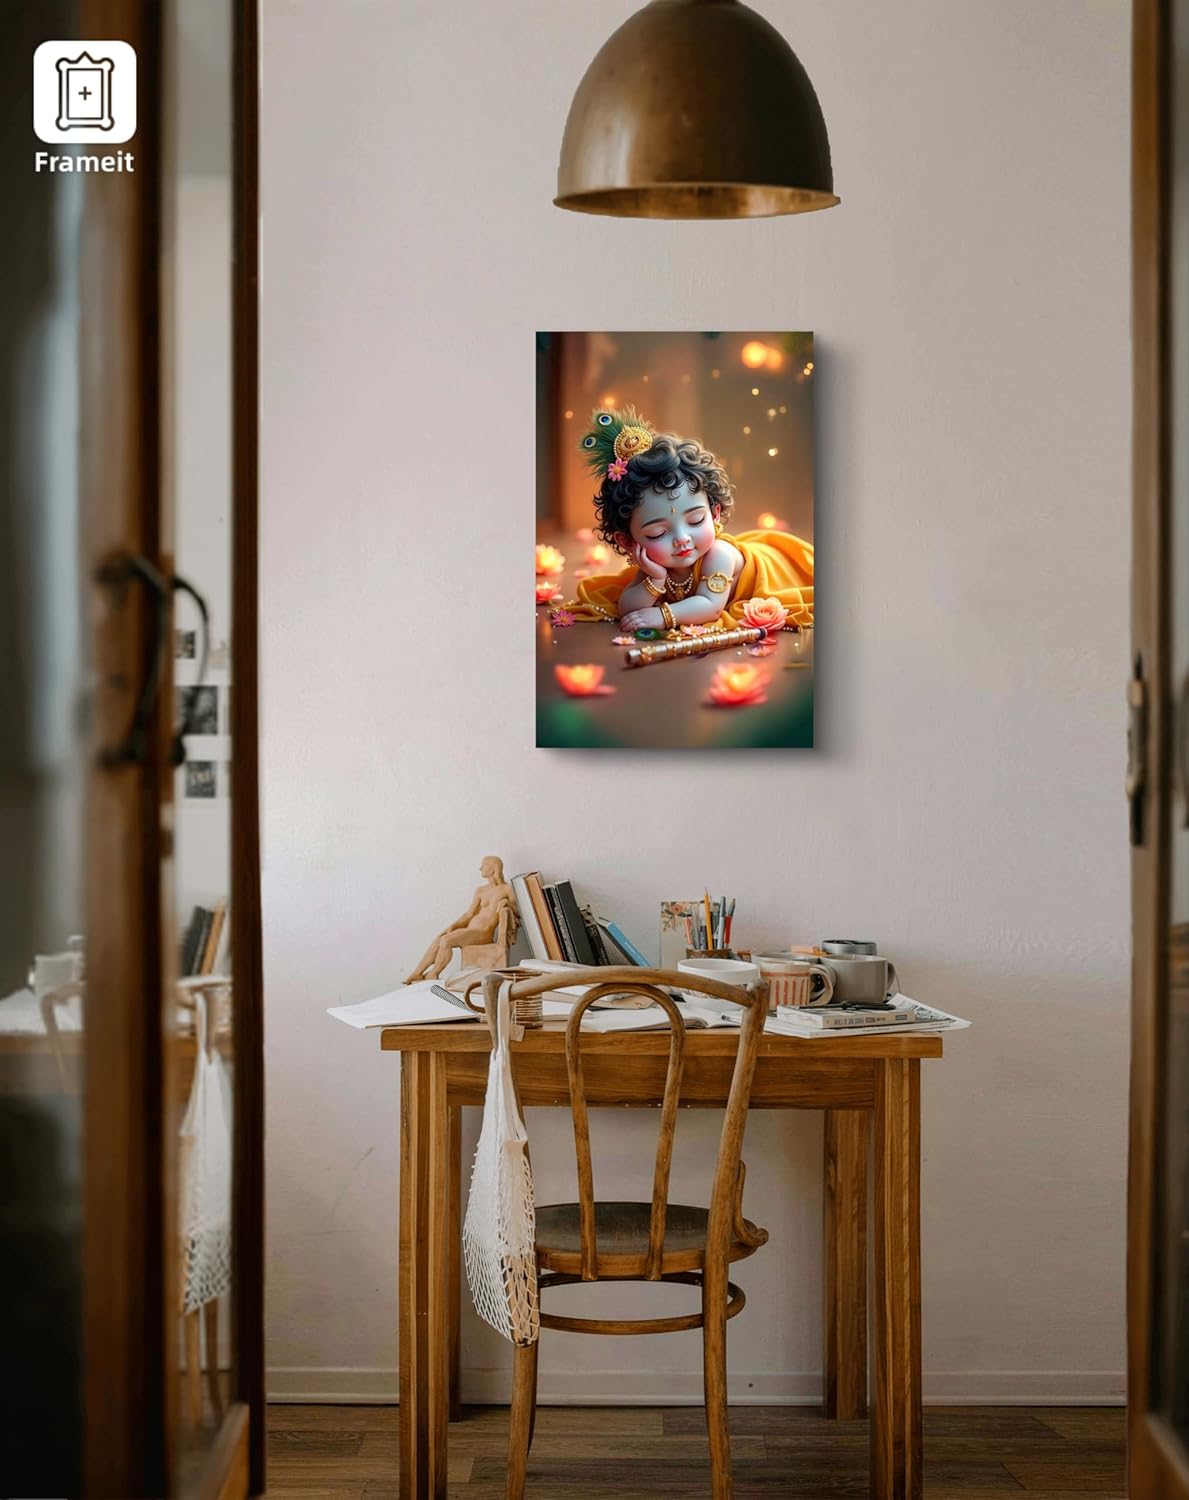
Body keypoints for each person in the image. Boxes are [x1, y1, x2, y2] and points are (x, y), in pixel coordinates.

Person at [564, 406, 813, 632]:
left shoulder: (719, 555)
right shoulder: (655, 565)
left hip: (781, 571)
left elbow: (711, 606)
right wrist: (656, 580)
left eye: (695, 520)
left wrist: (663, 615)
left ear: (714, 513)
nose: (682, 539)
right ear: (628, 541)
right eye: (657, 534)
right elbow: (628, 608)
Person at [404, 856, 519, 983]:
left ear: (493, 868)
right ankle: (417, 973)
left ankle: (434, 973)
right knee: (439, 938)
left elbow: (519, 911)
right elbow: (469, 915)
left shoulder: (506, 889)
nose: (480, 868)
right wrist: (453, 926)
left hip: (483, 933)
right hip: (470, 930)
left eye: (484, 865)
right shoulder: (481, 890)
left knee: (446, 941)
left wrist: (507, 902)